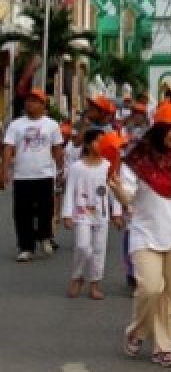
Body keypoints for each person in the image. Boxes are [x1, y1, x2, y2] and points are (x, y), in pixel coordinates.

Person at [108, 103, 171, 368]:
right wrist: (117, 191)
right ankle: (138, 331)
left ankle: (164, 346)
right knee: (151, 287)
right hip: (145, 232)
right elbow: (127, 195)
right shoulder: (137, 159)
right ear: (159, 129)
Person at [1, 89, 65, 261]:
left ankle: (44, 236)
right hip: (22, 175)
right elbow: (8, 148)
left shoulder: (51, 124)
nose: (30, 103)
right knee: (22, 212)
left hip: (44, 174)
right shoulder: (16, 125)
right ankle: (26, 247)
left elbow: (58, 149)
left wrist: (60, 170)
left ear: (43, 105)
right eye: (28, 100)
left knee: (46, 209)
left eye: (35, 101)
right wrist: (4, 171)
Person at [63, 128, 124, 299]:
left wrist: (117, 213)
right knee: (83, 246)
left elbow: (114, 191)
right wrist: (67, 214)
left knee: (99, 249)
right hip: (81, 213)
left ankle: (95, 283)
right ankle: (77, 277)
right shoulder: (77, 167)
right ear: (88, 145)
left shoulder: (108, 166)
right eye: (97, 141)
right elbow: (69, 191)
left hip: (101, 214)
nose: (101, 145)